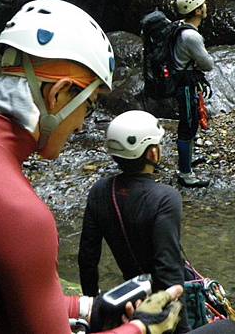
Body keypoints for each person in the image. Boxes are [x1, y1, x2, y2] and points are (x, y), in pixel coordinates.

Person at [0, 0, 181, 334]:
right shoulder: (18, 210)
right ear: (59, 95)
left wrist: (92, 306)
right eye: (88, 106)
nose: (81, 125)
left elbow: (2, 296)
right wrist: (143, 328)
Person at [79, 110, 191, 333]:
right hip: (160, 303)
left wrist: (92, 308)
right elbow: (168, 269)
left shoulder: (100, 190)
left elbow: (88, 257)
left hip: (133, 293)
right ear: (152, 153)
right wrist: (182, 327)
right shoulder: (166, 197)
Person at [172, 0, 214, 188]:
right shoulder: (192, 36)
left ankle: (186, 160)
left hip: (182, 82)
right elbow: (207, 64)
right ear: (197, 11)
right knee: (188, 125)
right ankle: (185, 173)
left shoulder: (179, 27)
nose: (206, 7)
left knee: (190, 122)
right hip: (186, 85)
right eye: (203, 4)